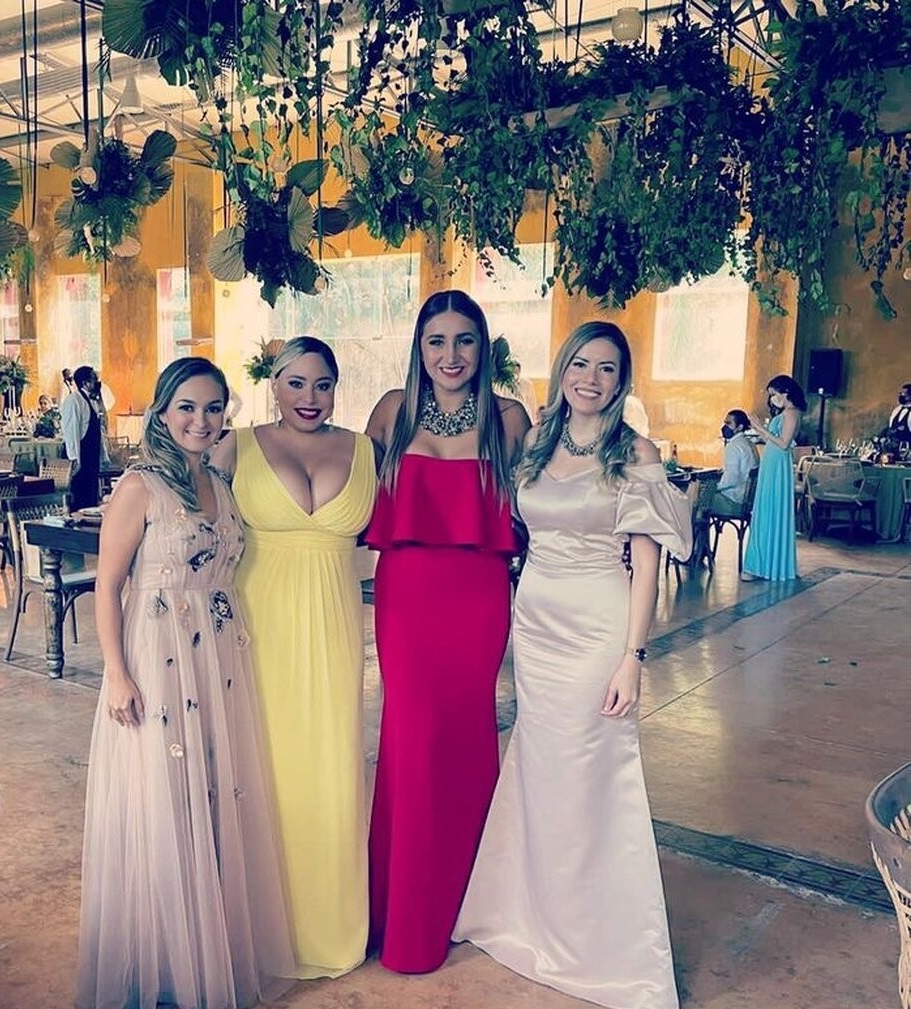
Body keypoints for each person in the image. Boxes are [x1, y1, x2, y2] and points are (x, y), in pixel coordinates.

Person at [453, 321, 691, 1009]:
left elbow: (645, 561)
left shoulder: (634, 451)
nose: (591, 378)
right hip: (536, 622)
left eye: (606, 368)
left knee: (592, 771)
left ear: (621, 382)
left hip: (597, 625)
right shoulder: (535, 441)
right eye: (581, 363)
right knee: (541, 767)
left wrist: (632, 657)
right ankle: (530, 917)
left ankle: (600, 941)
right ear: (563, 370)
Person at [76, 357, 294, 1009]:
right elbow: (107, 586)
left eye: (213, 407)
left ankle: (206, 951)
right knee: (163, 797)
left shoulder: (221, 482)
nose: (201, 420)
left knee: (212, 791)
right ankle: (162, 964)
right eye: (187, 407)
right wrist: (117, 672)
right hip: (157, 655)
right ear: (163, 412)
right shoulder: (140, 486)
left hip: (217, 653)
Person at [364, 290, 530, 974]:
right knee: (412, 740)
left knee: (464, 740)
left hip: (478, 599)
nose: (451, 355)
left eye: (465, 340)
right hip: (406, 598)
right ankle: (402, 914)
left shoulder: (510, 419)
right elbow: (346, 491)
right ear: (419, 347)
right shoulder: (390, 412)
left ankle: (469, 901)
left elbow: (547, 501)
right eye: (437, 340)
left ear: (483, 348)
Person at [209, 336, 377, 979]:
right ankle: (260, 926)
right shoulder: (235, 445)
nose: (310, 397)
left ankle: (328, 928)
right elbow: (186, 518)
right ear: (273, 384)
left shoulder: (366, 449)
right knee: (265, 769)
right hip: (258, 625)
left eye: (323, 384)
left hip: (335, 629)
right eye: (296, 383)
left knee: (332, 766)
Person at [742, 374, 806, 582]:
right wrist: (758, 428)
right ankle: (762, 565)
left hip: (778, 466)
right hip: (772, 465)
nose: (771, 399)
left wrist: (760, 427)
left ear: (785, 393)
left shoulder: (792, 413)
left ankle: (762, 567)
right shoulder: (786, 413)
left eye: (773, 394)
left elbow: (784, 443)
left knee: (771, 511)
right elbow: (773, 440)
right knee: (765, 511)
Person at [61, 366, 103, 509]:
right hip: (81, 454)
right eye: (94, 379)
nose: (97, 382)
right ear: (85, 383)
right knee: (79, 495)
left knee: (91, 494)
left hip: (91, 455)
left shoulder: (93, 401)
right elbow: (71, 431)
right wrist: (74, 458)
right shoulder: (74, 400)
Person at [711, 409, 759, 516]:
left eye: (728, 423)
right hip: (747, 501)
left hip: (732, 501)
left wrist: (714, 487)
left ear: (739, 427)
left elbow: (732, 478)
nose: (724, 427)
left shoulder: (733, 446)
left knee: (696, 501)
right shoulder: (750, 443)